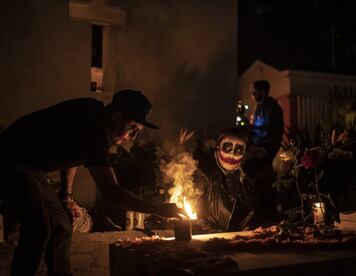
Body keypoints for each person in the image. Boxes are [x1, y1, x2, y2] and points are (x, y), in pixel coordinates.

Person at [0, 89, 180, 276]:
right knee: (38, 227)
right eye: (133, 128)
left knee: (62, 223)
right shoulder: (95, 134)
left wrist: (66, 196)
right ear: (117, 117)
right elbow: (112, 191)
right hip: (9, 160)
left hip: (29, 167)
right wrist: (159, 209)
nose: (134, 136)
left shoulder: (92, 112)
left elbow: (71, 156)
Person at [194, 128, 256, 232]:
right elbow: (194, 213)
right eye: (227, 147)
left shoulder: (247, 177)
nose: (232, 154)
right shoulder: (203, 175)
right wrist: (210, 230)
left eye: (239, 150)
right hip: (209, 238)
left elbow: (253, 212)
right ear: (218, 147)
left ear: (244, 153)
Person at [250, 79, 284, 165]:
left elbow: (269, 128)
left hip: (267, 147)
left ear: (263, 91)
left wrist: (251, 129)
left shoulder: (271, 107)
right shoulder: (259, 107)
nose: (252, 94)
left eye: (255, 91)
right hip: (259, 146)